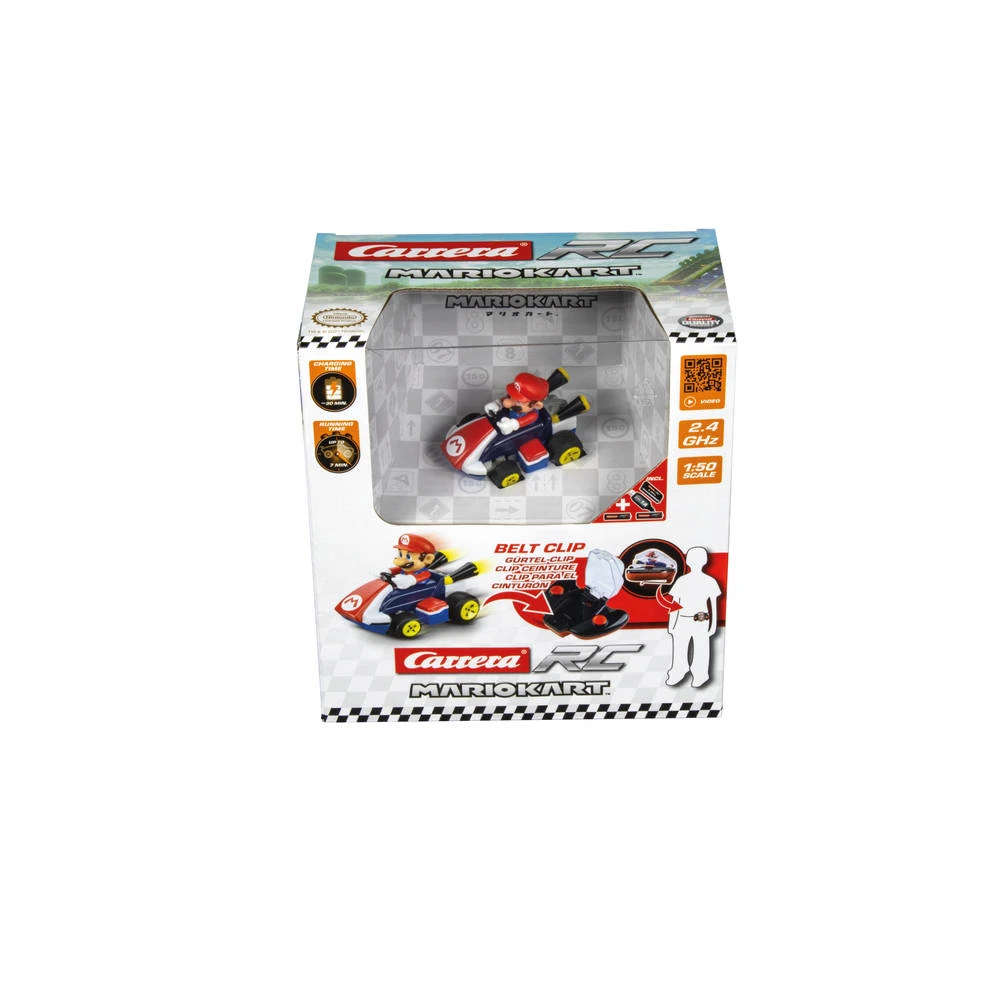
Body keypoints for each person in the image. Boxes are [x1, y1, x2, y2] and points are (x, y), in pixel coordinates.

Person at [665, 547, 722, 687]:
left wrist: (713, 625)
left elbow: (713, 605)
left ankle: (700, 674)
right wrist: (672, 624)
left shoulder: (710, 581)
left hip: (701, 620)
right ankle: (678, 670)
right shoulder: (682, 581)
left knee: (701, 647)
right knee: (680, 647)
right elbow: (675, 604)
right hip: (682, 619)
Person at [483, 372, 549, 435]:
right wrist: (497, 403)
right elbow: (506, 400)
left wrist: (512, 425)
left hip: (523, 427)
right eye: (512, 396)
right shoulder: (513, 404)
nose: (509, 402)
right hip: (510, 417)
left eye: (519, 402)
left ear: (537, 405)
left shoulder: (533, 415)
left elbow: (523, 421)